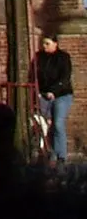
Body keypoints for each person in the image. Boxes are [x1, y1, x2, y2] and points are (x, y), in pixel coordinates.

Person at [36, 31, 74, 163]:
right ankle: (50, 152)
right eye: (43, 44)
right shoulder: (39, 57)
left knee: (58, 123)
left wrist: (54, 91)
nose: (45, 46)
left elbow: (65, 77)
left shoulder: (63, 57)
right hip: (44, 95)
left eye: (47, 44)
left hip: (61, 95)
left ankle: (61, 155)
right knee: (47, 124)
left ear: (55, 44)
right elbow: (36, 76)